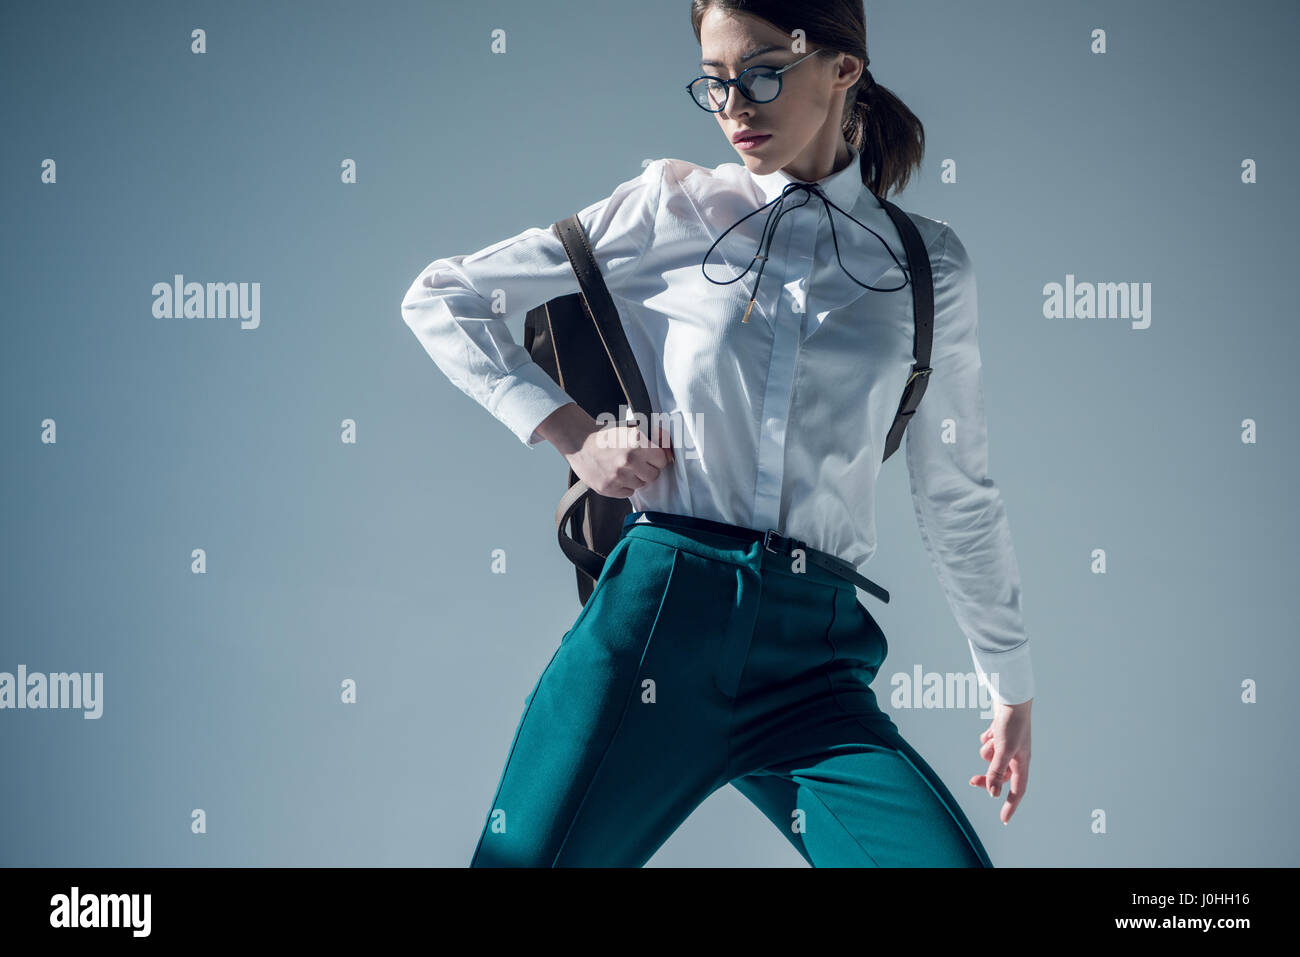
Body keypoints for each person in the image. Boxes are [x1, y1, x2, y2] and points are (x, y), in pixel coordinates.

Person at [400, 0, 1034, 867]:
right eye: (716, 83)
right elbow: (442, 295)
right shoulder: (669, 208)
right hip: (655, 627)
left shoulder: (927, 267)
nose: (735, 105)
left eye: (762, 74)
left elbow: (958, 490)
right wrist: (573, 433)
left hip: (813, 663)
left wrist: (1010, 683)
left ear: (844, 68)